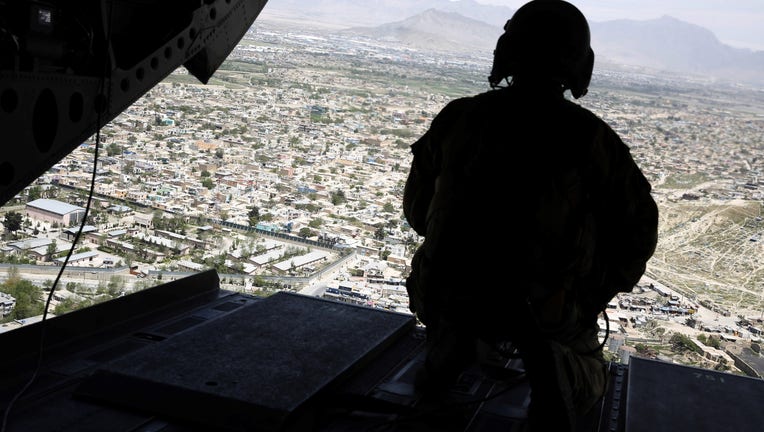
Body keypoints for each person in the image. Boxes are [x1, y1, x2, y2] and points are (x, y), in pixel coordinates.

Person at [402, 0, 659, 430]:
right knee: (594, 372)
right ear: (579, 63)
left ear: (508, 51)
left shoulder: (459, 118)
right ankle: (559, 364)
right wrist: (587, 294)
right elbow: (636, 237)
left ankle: (451, 345)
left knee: (456, 313)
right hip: (543, 309)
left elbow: (416, 211)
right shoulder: (591, 139)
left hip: (447, 294)